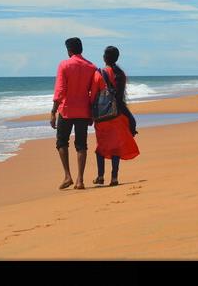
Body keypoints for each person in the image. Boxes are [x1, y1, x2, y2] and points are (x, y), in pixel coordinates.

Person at [50, 37, 97, 190]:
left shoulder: (64, 65)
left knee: (62, 142)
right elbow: (93, 92)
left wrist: (53, 111)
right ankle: (80, 180)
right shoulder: (91, 66)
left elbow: (60, 90)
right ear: (81, 49)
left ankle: (67, 175)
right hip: (83, 110)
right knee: (81, 145)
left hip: (66, 110)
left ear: (69, 50)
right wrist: (92, 113)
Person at [90, 46, 139, 186]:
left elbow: (93, 96)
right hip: (117, 115)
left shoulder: (98, 74)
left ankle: (100, 177)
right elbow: (120, 99)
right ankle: (114, 178)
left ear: (105, 57)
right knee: (116, 147)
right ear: (116, 58)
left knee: (101, 147)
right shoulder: (121, 74)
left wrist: (90, 114)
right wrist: (130, 118)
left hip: (102, 117)